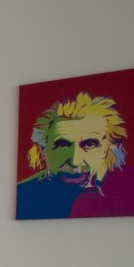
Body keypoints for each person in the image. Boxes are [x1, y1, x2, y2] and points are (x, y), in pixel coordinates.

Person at [17, 91, 131, 219]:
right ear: (43, 151)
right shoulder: (22, 195)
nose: (75, 161)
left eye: (89, 144)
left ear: (108, 148)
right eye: (62, 145)